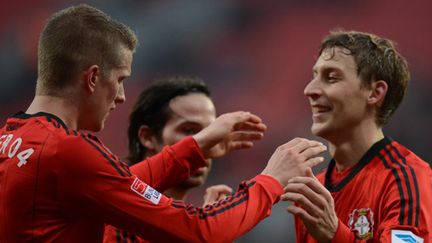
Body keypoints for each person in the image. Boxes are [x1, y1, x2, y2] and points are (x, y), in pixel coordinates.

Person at [0, 4, 327, 242]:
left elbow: (115, 182)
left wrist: (197, 146)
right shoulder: (66, 152)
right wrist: (272, 181)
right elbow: (198, 229)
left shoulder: (12, 139)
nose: (122, 97)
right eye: (120, 80)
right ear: (94, 77)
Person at [283, 30, 432, 242]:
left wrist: (334, 235)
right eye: (314, 76)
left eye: (331, 78)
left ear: (375, 93)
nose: (310, 90)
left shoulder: (406, 177)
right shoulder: (314, 191)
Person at [104, 76, 234, 242]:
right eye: (189, 130)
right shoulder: (115, 211)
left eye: (212, 132)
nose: (206, 142)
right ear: (148, 137)